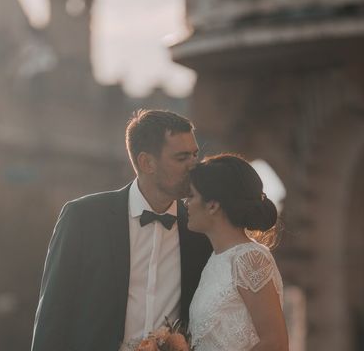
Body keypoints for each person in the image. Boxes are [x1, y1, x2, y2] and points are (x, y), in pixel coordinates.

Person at [31, 109, 212, 351]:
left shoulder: (200, 230)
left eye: (195, 155)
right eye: (181, 158)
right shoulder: (83, 217)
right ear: (146, 162)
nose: (194, 166)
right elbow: (53, 315)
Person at [185, 154, 288, 351]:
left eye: (191, 196)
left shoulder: (250, 258)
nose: (185, 203)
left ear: (213, 205)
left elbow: (276, 343)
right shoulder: (215, 260)